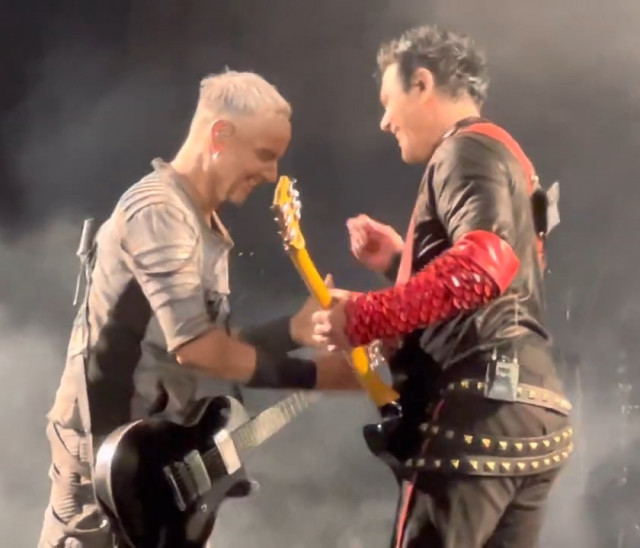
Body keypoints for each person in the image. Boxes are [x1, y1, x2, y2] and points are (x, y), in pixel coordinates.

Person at [38, 69, 357, 548]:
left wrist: (293, 330)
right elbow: (198, 349)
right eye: (264, 154)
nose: (272, 173)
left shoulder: (197, 222)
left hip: (149, 462)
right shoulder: (159, 212)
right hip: (107, 469)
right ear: (220, 135)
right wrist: (316, 376)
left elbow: (200, 351)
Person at [312, 25, 572, 548]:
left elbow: (482, 268)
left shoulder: (463, 150)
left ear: (422, 84)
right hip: (533, 410)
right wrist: (399, 262)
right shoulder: (506, 158)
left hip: (476, 410)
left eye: (388, 101)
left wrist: (364, 316)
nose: (385, 121)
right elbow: (502, 284)